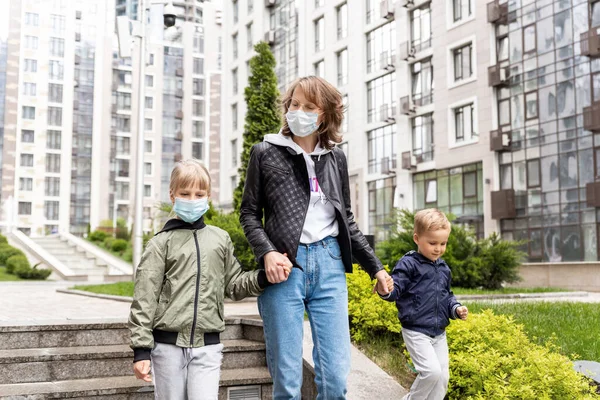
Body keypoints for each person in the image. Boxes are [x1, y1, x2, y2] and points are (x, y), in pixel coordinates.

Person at [240, 76, 392, 399]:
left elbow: (346, 219)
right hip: (285, 267)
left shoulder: (336, 158)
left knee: (336, 379)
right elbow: (249, 215)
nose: (299, 111)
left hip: (330, 265)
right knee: (287, 382)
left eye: (308, 107)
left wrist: (375, 268)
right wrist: (266, 253)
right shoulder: (265, 152)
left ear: (323, 114)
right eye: (294, 104)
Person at [128, 159, 284, 400]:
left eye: (199, 193)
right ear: (173, 196)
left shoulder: (219, 239)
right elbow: (144, 300)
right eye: (185, 193)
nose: (192, 199)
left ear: (208, 196)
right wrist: (141, 351)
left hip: (208, 348)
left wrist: (264, 277)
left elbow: (233, 284)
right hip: (168, 348)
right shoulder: (160, 244)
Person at [377, 208, 468, 400]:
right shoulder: (408, 264)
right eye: (432, 243)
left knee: (442, 377)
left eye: (443, 243)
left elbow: (447, 296)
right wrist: (385, 290)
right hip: (416, 331)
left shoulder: (443, 268)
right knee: (431, 372)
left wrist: (455, 308)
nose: (438, 248)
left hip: (438, 333)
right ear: (417, 239)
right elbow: (396, 290)